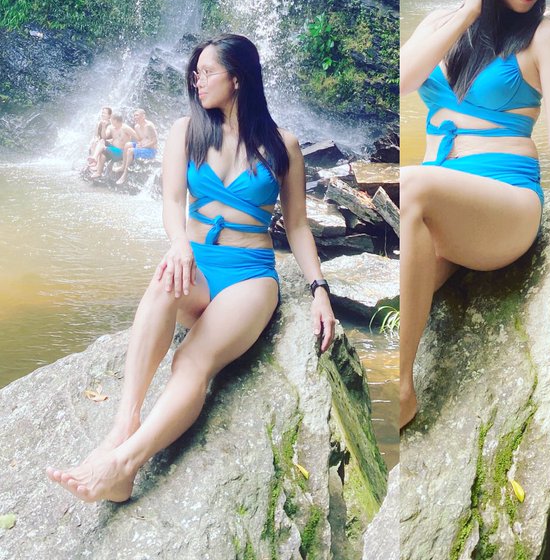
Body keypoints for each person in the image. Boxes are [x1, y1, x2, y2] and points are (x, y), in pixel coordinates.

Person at [47, 34, 337, 503]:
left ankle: (123, 467)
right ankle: (125, 422)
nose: (197, 81)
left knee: (190, 361)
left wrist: (319, 291)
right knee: (164, 280)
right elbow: (171, 201)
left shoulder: (283, 145)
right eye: (195, 74)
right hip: (196, 267)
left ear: (238, 79)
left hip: (250, 276)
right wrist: (179, 243)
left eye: (207, 73)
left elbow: (299, 226)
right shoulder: (186, 130)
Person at [398, 0, 550, 432]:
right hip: (446, 218)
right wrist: (468, 12)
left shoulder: (545, 40)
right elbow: (400, 82)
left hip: (506, 207)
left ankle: (402, 391)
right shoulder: (439, 25)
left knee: (412, 183)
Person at [113, 108, 159, 187]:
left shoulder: (149, 126)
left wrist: (143, 146)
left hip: (151, 150)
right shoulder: (136, 127)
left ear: (143, 116)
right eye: (134, 115)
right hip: (143, 147)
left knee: (130, 151)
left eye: (137, 115)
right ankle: (123, 166)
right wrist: (139, 144)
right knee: (128, 145)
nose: (135, 117)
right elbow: (141, 139)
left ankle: (124, 174)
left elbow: (155, 141)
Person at [96, 113, 137, 182]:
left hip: (120, 152)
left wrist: (136, 148)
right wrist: (103, 127)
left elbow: (137, 137)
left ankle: (95, 161)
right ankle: (98, 172)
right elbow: (104, 137)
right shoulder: (110, 127)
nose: (110, 120)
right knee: (102, 142)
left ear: (115, 120)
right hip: (112, 150)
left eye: (111, 119)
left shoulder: (126, 128)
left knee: (104, 149)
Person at [86, 106, 113, 176]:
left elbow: (113, 137)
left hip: (107, 143)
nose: (102, 114)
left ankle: (97, 164)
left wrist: (101, 140)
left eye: (104, 113)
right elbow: (96, 135)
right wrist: (95, 139)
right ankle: (93, 162)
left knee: (99, 143)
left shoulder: (111, 125)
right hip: (100, 141)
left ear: (109, 115)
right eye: (102, 113)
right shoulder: (99, 123)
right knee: (93, 142)